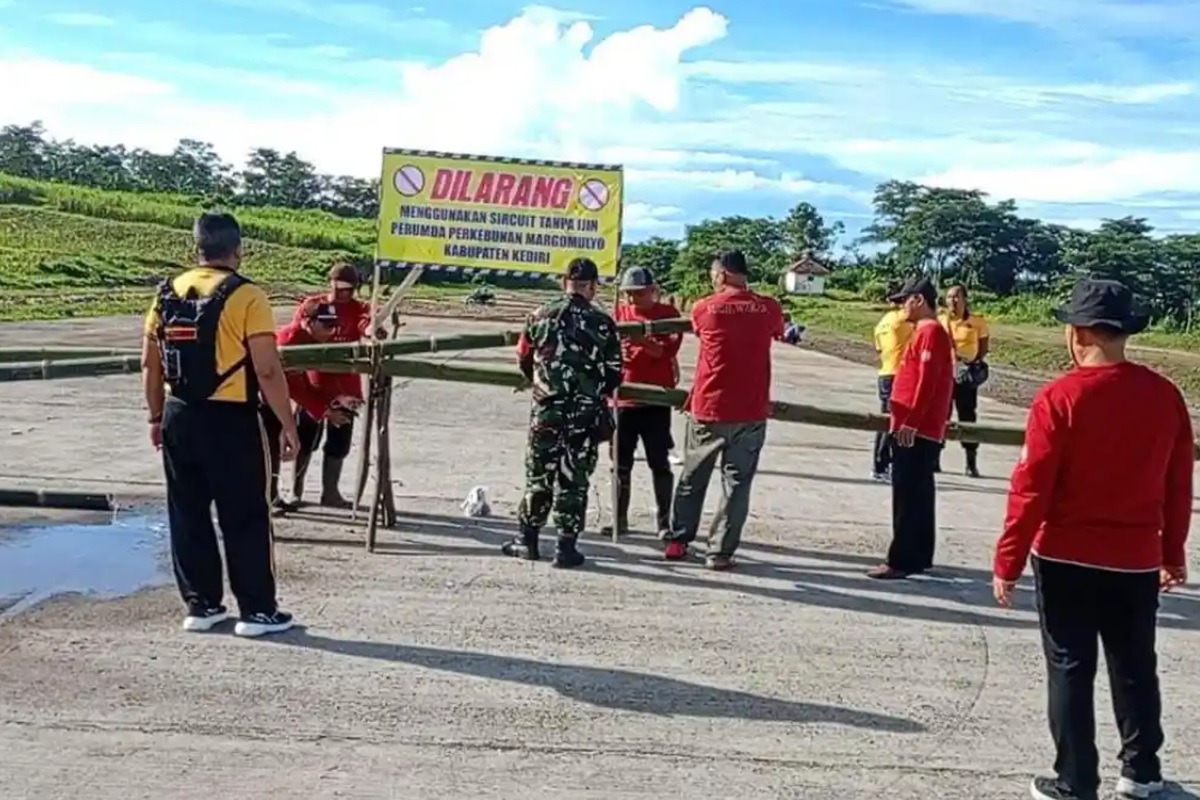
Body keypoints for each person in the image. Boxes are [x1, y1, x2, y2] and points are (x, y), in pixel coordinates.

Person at [991, 278, 1193, 800]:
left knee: (1070, 666)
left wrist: (1007, 561)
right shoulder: (1165, 396)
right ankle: (1142, 774)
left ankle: (1075, 781)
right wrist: (1173, 553)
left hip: (1065, 555)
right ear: (1125, 332)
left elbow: (1030, 487)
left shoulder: (1059, 397)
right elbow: (1178, 484)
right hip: (1135, 557)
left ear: (1076, 334)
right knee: (1135, 666)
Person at [141, 212, 298, 638]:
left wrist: (156, 417)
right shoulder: (248, 296)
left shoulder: (166, 294)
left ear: (197, 249)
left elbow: (150, 367)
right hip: (231, 419)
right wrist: (288, 424)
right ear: (238, 250)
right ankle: (258, 612)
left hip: (179, 415)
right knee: (246, 514)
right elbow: (267, 370)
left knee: (187, 513)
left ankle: (202, 605)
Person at [661, 250, 785, 570]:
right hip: (751, 409)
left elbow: (703, 333)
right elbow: (777, 331)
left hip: (710, 405)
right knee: (737, 483)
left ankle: (678, 539)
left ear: (725, 274)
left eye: (714, 274)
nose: (712, 280)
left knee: (692, 476)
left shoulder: (705, 307)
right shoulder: (768, 307)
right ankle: (719, 552)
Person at [504, 257, 622, 568]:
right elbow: (614, 373)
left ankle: (527, 541)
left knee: (539, 472)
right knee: (574, 476)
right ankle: (565, 547)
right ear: (593, 286)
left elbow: (524, 359)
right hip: (583, 413)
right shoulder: (602, 322)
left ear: (563, 281)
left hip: (546, 409)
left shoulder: (539, 315)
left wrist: (542, 381)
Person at [867, 276, 954, 581]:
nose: (901, 306)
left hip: (916, 429)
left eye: (904, 300)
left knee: (905, 493)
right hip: (921, 427)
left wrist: (911, 422)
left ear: (918, 300)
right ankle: (919, 555)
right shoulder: (929, 332)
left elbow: (926, 381)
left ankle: (900, 559)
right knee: (919, 493)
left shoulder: (929, 332)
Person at [601, 265, 682, 538]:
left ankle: (663, 523)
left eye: (638, 293)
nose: (633, 299)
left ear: (652, 290)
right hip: (623, 400)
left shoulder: (668, 316)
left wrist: (639, 339)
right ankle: (620, 520)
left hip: (655, 398)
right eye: (628, 294)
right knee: (620, 464)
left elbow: (665, 350)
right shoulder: (619, 314)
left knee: (659, 462)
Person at [290, 263, 372, 507]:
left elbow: (366, 324)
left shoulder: (359, 309)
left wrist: (371, 329)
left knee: (339, 444)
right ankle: (297, 491)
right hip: (313, 384)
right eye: (338, 287)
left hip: (345, 387)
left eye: (348, 289)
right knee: (306, 441)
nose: (342, 293)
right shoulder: (314, 306)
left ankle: (331, 492)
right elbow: (298, 332)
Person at [262, 299, 354, 514]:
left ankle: (272, 497)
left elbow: (302, 386)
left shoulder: (309, 340)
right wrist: (326, 411)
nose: (331, 331)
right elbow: (297, 389)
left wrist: (326, 409)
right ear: (308, 322)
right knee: (266, 450)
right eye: (326, 325)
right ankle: (266, 500)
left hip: (275, 398)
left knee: (273, 448)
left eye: (334, 326)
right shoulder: (293, 340)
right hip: (261, 398)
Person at [939, 284, 990, 477]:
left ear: (965, 299)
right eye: (950, 297)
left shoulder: (977, 322)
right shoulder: (941, 321)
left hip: (966, 375)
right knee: (942, 415)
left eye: (957, 296)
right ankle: (936, 458)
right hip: (944, 373)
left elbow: (984, 346)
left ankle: (971, 461)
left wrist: (972, 362)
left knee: (967, 415)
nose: (953, 300)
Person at [871, 286, 914, 481]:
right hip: (899, 374)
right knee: (894, 421)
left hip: (885, 372)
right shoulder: (904, 320)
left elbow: (879, 349)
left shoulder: (883, 322)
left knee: (885, 419)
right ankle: (882, 464)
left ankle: (880, 463)